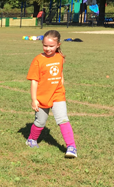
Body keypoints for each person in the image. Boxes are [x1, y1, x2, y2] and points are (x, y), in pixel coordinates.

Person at [25, 30, 78, 158]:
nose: (48, 48)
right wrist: (34, 99)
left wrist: (61, 82)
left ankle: (71, 147)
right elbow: (34, 82)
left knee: (63, 119)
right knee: (40, 122)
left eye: (51, 46)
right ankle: (32, 139)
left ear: (58, 45)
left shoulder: (59, 57)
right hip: (42, 96)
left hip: (58, 94)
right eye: (45, 45)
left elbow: (60, 72)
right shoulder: (38, 60)